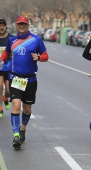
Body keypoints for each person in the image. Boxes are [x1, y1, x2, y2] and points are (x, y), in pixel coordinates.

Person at [0, 16, 49, 149]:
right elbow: (5, 54)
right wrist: (1, 60)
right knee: (16, 105)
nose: (22, 26)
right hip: (15, 78)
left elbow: (46, 56)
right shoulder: (12, 40)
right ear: (16, 25)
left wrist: (39, 57)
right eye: (20, 24)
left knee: (27, 108)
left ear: (28, 25)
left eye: (24, 24)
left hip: (31, 79)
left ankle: (22, 129)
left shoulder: (36, 40)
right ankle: (16, 134)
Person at [0, 19, 13, 118]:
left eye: (3, 25)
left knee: (9, 91)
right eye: (0, 25)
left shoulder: (11, 39)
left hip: (9, 67)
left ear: (6, 26)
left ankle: (5, 98)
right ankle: (0, 108)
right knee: (0, 87)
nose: (1, 27)